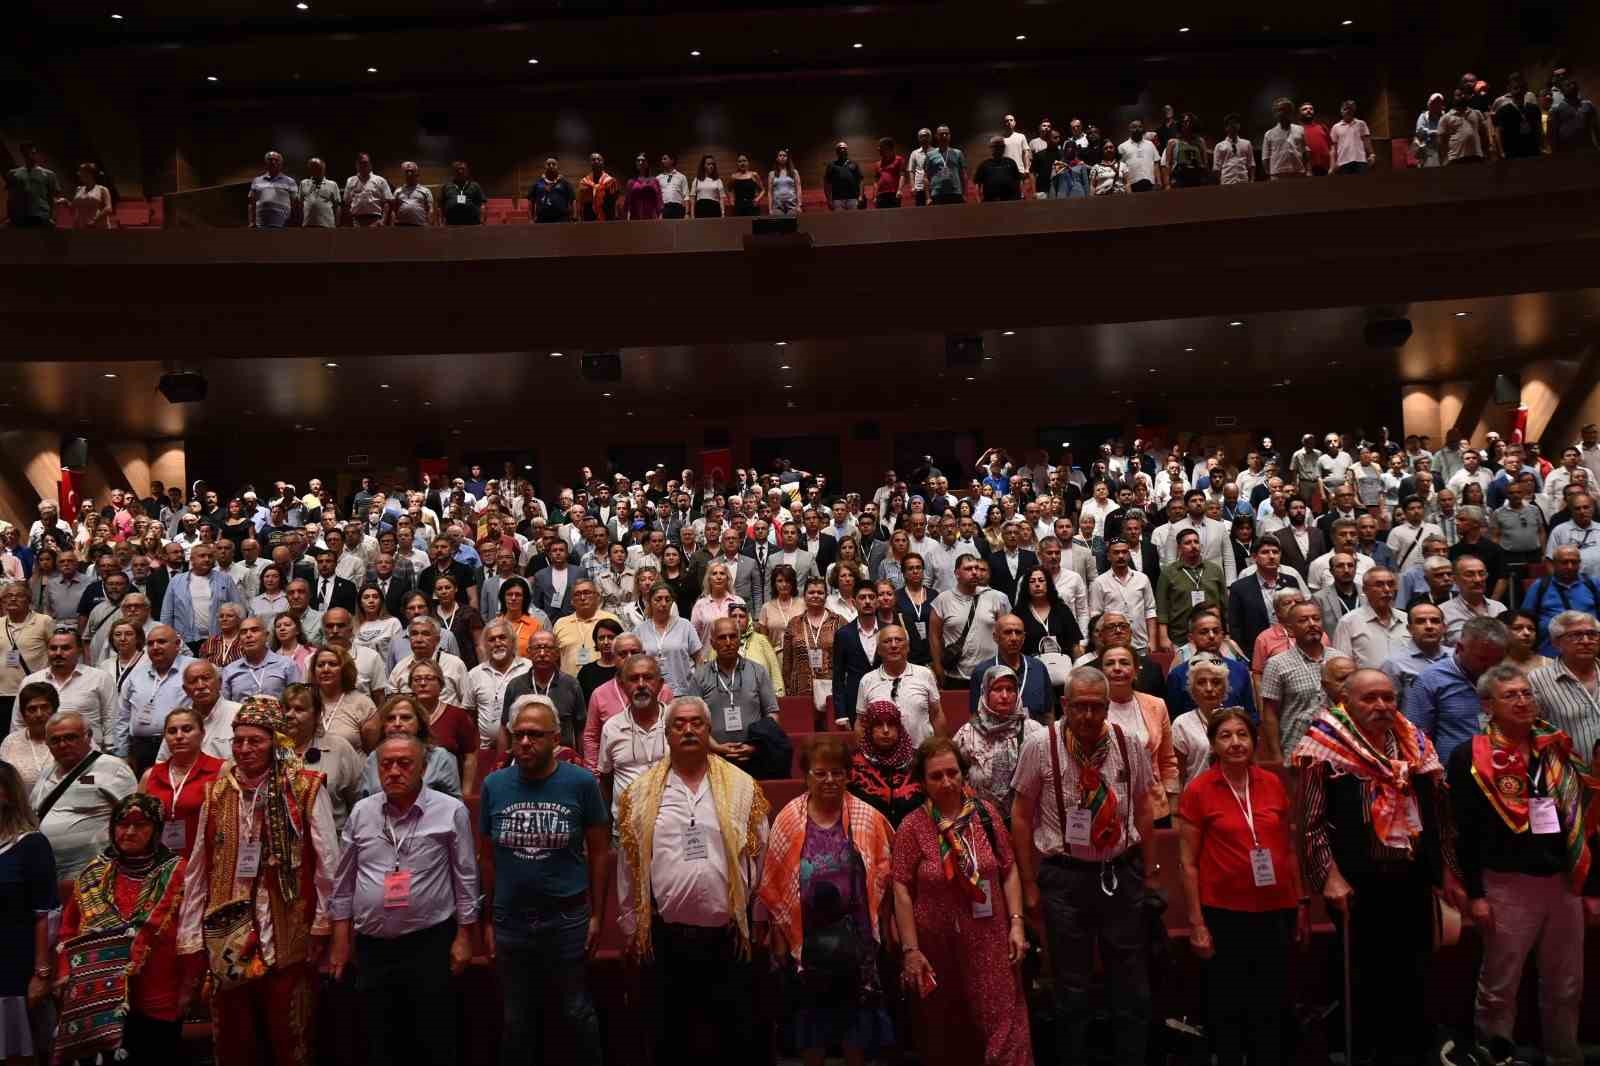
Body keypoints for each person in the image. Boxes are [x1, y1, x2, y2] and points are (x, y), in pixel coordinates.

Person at [1449, 664, 1600, 1066]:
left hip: (1564, 881)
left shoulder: (1556, 746)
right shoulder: (1471, 755)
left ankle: (1564, 1056)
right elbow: (1462, 831)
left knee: (1567, 983)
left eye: (1527, 694)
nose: (1522, 701)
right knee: (1500, 985)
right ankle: (1495, 1057)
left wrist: (1590, 886)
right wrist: (1476, 895)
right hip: (1505, 884)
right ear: (1488, 706)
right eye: (1510, 695)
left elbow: (1586, 821)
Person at [176, 695, 339, 1066]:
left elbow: (329, 862)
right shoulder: (215, 792)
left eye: (256, 740)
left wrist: (322, 923)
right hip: (227, 934)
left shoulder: (304, 788)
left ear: (275, 741)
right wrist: (190, 936)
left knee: (290, 1038)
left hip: (286, 932)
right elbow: (199, 868)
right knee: (235, 1041)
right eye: (238, 741)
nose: (245, 749)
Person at [1293, 669, 1445, 1064]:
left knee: (1412, 975)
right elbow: (1311, 822)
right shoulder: (1324, 745)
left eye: (1388, 698)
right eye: (1369, 698)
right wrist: (1329, 876)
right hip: (1357, 884)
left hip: (1412, 878)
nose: (1381, 706)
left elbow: (1436, 812)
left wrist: (1444, 873)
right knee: (1366, 979)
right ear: (1347, 702)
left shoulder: (1415, 744)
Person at [1011, 666, 1158, 1065]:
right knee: (1071, 990)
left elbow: (1144, 806)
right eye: (1080, 708)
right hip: (1065, 880)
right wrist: (1028, 883)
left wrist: (1148, 870)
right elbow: (1021, 815)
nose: (1089, 716)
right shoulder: (1040, 745)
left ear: (1109, 706)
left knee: (1131, 988)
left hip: (1121, 874)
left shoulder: (1129, 743)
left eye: (1097, 707)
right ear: (1065, 706)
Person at [616, 696, 771, 1060]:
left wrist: (760, 918)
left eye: (696, 723)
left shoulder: (742, 787)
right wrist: (629, 925)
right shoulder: (640, 794)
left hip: (729, 936)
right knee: (671, 1040)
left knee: (735, 1038)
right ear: (667, 734)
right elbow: (629, 863)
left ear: (708, 729)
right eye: (679, 724)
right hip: (667, 939)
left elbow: (760, 854)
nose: (688, 730)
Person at [329, 734, 480, 1066]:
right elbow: (343, 881)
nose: (394, 771)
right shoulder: (362, 812)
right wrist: (341, 938)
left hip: (430, 943)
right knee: (380, 1041)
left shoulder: (450, 810)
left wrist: (465, 936)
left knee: (433, 1040)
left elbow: (466, 877)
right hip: (372, 947)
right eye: (386, 764)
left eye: (404, 763)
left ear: (423, 767)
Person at [1176, 709, 1308, 1066]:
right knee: (1228, 1003)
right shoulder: (1199, 790)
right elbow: (1187, 863)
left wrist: (1301, 902)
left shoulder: (1272, 782)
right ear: (1213, 745)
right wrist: (1197, 923)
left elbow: (1289, 849)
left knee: (1271, 1002)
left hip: (1276, 908)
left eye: (1242, 735)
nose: (1235, 743)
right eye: (1225, 736)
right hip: (1224, 913)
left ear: (1254, 741)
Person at [757, 734, 895, 1064]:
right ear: (806, 776)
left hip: (856, 948)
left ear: (848, 775)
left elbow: (884, 878)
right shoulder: (789, 818)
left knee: (856, 1037)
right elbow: (775, 883)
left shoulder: (868, 817)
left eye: (837, 772)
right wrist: (777, 940)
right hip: (807, 947)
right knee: (811, 1033)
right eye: (820, 773)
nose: (829, 780)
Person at [892, 736, 1030, 1065]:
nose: (947, 782)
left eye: (952, 773)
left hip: (989, 939)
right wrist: (911, 950)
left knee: (1004, 1028)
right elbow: (900, 888)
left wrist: (1017, 924)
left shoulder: (986, 816)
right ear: (923, 782)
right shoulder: (912, 827)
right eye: (936, 776)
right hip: (937, 946)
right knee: (948, 1034)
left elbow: (1009, 871)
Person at [52, 792, 199, 1065]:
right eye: (122, 824)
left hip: (157, 997)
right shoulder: (94, 872)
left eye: (141, 825)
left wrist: (188, 986)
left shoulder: (179, 872)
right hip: (96, 1000)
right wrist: (64, 972)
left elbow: (191, 933)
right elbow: (68, 930)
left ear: (157, 829)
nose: (129, 832)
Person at [33, 710, 138, 880]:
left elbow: (134, 820)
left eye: (70, 737)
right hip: (49, 875)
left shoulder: (113, 768)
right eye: (55, 740)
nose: (63, 744)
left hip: (96, 877)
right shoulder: (46, 772)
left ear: (88, 736)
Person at [1404, 615, 1510, 762]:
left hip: (1504, 770)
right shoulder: (1430, 680)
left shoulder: (1507, 677)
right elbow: (1416, 738)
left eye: (1497, 660)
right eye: (1483, 659)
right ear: (1460, 648)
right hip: (1453, 775)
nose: (1491, 667)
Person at [954, 664, 1044, 812]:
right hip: (981, 819)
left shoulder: (1033, 731)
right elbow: (954, 776)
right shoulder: (967, 733)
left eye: (1010, 690)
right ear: (985, 693)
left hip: (1024, 818)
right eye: (997, 689)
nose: (1004, 695)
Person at [140, 706, 225, 859]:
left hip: (206, 862)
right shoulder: (150, 775)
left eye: (187, 729)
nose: (179, 736)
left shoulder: (221, 770)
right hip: (160, 864)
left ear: (202, 733)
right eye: (172, 731)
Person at [848, 699, 924, 828]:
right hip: (868, 835)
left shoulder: (917, 761)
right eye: (878, 725)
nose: (886, 730)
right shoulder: (853, 764)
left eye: (891, 724)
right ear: (869, 729)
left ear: (899, 727)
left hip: (912, 834)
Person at [0, 581, 52, 728]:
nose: (13, 599)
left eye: (19, 595)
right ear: (3, 601)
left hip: (34, 693)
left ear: (29, 600)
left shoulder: (43, 621)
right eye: (8, 596)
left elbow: (55, 650)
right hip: (2, 693)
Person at [635, 583, 702, 693]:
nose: (663, 603)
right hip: (652, 693)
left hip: (684, 691)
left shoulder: (685, 626)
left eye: (668, 599)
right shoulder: (640, 630)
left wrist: (698, 685)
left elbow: (699, 659)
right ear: (649, 601)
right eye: (658, 599)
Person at [0, 681, 56, 794]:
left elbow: (92, 779)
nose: (39, 714)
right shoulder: (11, 741)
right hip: (20, 808)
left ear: (54, 710)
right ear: (23, 714)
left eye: (45, 707)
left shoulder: (72, 738)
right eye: (32, 709)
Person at [5, 141, 66, 227]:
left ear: (37, 154)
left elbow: (54, 197)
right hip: (19, 217)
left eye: (32, 153)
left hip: (41, 216)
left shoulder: (48, 174)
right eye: (26, 153)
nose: (30, 156)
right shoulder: (13, 173)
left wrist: (53, 217)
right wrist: (9, 217)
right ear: (23, 154)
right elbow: (10, 196)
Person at [730, 601, 783, 696]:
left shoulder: (761, 640)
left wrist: (779, 696)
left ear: (748, 619)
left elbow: (775, 673)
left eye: (742, 616)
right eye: (734, 616)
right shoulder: (721, 642)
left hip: (760, 698)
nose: (737, 620)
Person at [247, 150, 299, 228]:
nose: (273, 162)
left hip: (283, 225)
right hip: (260, 225)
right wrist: (252, 222)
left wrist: (294, 222)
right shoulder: (256, 180)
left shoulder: (290, 181)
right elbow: (251, 203)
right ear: (266, 163)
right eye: (270, 159)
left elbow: (295, 204)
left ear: (281, 164)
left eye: (276, 160)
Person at [1262, 97, 1308, 179]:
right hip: (1277, 174)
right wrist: (1272, 174)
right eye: (1280, 110)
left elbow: (1305, 152)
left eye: (1287, 110)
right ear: (1275, 113)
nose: (1283, 112)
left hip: (1298, 173)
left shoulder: (1300, 130)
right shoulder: (1269, 134)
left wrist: (1306, 170)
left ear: (1291, 112)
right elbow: (1265, 158)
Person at [1329, 99, 1376, 174]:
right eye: (1345, 109)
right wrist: (1332, 165)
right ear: (1341, 111)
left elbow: (1366, 141)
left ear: (1353, 111)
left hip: (1360, 160)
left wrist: (1371, 154)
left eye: (1350, 109)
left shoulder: (1361, 124)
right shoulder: (1335, 127)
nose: (1348, 111)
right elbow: (1334, 148)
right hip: (1343, 162)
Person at [925, 125, 967, 205]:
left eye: (946, 134)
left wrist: (964, 194)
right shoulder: (930, 155)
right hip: (937, 194)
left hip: (955, 193)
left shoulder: (958, 153)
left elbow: (963, 175)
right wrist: (928, 197)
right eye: (941, 134)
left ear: (950, 136)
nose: (944, 136)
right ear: (936, 136)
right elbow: (926, 177)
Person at [528, 157, 576, 223]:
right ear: (545, 166)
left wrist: (574, 216)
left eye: (553, 164)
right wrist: (531, 219)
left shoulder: (564, 183)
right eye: (548, 164)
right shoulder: (537, 183)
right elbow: (531, 201)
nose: (551, 166)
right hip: (542, 220)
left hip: (562, 220)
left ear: (557, 166)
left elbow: (572, 200)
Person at [297, 156, 341, 228]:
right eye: (314, 167)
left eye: (319, 168)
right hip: (307, 225)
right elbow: (300, 205)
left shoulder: (332, 184)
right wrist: (300, 222)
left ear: (324, 168)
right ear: (310, 169)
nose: (317, 170)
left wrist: (337, 224)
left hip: (327, 225)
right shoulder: (303, 183)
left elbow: (337, 206)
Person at [70, 161, 114, 229]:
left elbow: (108, 208)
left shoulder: (102, 189)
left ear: (89, 174)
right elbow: (73, 207)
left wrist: (94, 220)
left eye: (81, 172)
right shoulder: (78, 189)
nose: (79, 174)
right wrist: (65, 202)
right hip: (81, 226)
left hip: (98, 226)